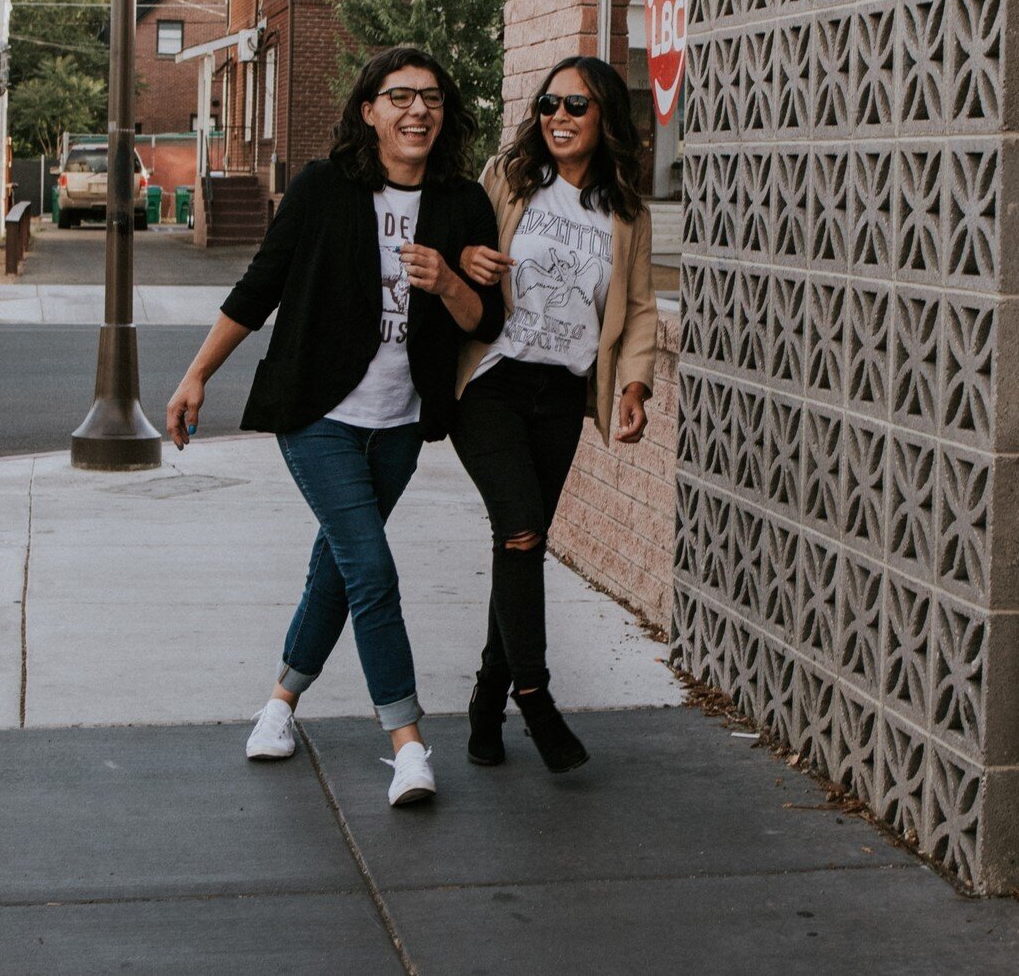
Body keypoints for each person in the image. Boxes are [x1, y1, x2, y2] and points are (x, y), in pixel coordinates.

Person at [165, 46, 503, 807]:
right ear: (369, 110)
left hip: (401, 422)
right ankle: (408, 743)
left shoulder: (460, 205)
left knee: (341, 567)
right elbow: (260, 287)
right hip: (318, 413)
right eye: (401, 96)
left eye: (433, 97)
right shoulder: (324, 189)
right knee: (373, 571)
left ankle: (280, 701)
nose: (419, 109)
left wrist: (447, 278)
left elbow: (486, 319)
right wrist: (196, 375)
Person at [451, 55, 657, 773]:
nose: (559, 118)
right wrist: (470, 260)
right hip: (493, 383)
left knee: (522, 542)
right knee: (520, 528)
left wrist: (633, 387)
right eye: (549, 104)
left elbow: (635, 310)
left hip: (563, 394)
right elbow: (461, 248)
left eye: (575, 106)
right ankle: (533, 696)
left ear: (603, 117)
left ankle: (486, 698)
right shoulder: (509, 181)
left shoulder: (626, 211)